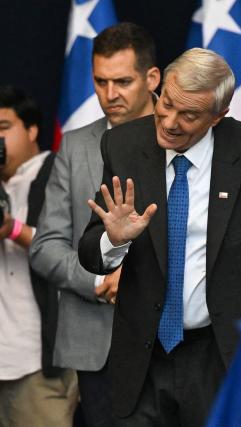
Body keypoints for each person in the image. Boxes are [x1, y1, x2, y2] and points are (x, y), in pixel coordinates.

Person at [77, 48, 241, 426]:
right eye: (166, 103)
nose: (169, 122)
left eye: (189, 114)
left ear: (219, 116)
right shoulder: (123, 145)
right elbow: (90, 251)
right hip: (143, 362)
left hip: (225, 357)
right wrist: (114, 241)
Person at [30, 22, 160, 427]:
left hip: (177, 339)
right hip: (99, 345)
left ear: (152, 77)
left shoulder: (183, 134)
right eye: (100, 82)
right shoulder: (75, 145)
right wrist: (99, 282)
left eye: (122, 81)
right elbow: (46, 246)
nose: (110, 95)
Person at [0, 85, 78, 426]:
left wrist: (12, 229)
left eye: (3, 129)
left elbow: (73, 251)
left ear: (32, 130)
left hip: (35, 364)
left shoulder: (60, 173)